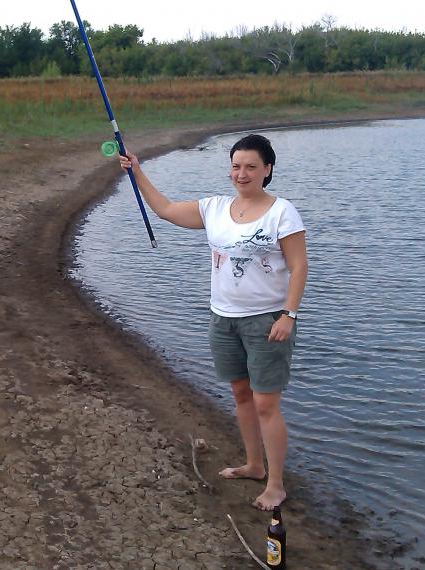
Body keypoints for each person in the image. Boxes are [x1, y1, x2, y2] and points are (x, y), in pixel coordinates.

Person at [117, 134, 307, 510]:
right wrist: (136, 171)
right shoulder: (215, 208)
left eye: (251, 166)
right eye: (236, 166)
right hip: (223, 319)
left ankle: (275, 484)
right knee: (241, 394)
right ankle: (253, 465)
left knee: (266, 404)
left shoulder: (282, 212)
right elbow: (166, 210)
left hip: (267, 321)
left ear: (267, 169)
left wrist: (289, 314)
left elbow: (299, 266)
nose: (242, 174)